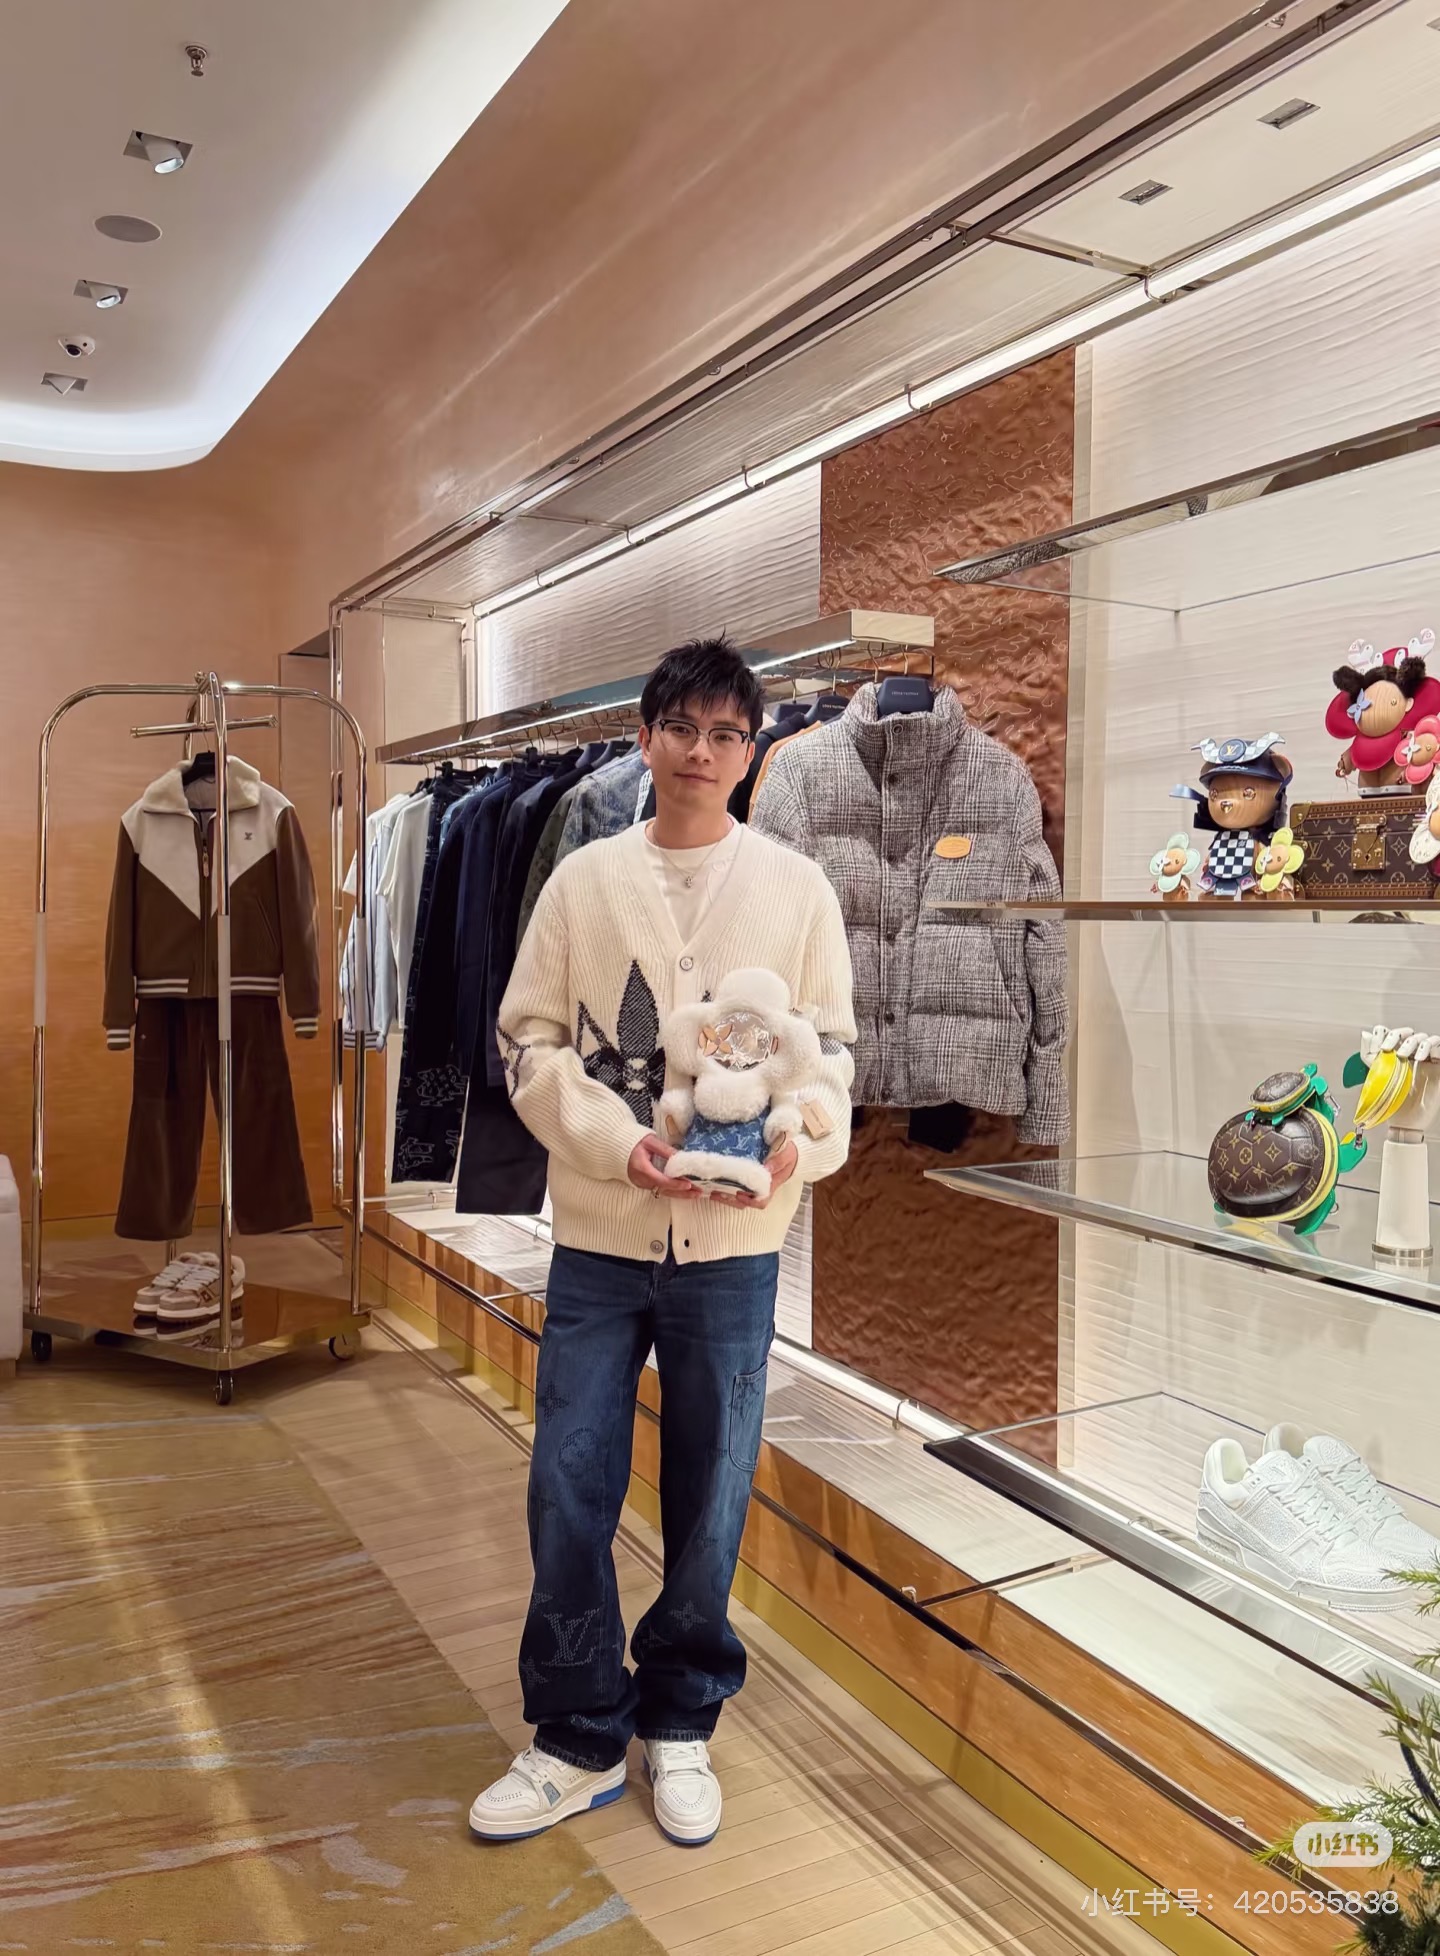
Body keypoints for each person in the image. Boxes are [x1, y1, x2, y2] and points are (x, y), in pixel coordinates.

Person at [469, 637, 855, 1846]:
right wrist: (611, 1142)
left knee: (713, 1486)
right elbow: (527, 1038)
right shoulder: (583, 879)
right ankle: (577, 1730)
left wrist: (797, 1141)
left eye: (726, 733)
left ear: (751, 752)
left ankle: (681, 1716)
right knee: (568, 1479)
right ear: (644, 739)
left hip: (734, 1251)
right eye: (681, 728)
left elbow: (833, 1055)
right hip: (600, 1236)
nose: (701, 751)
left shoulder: (798, 888)